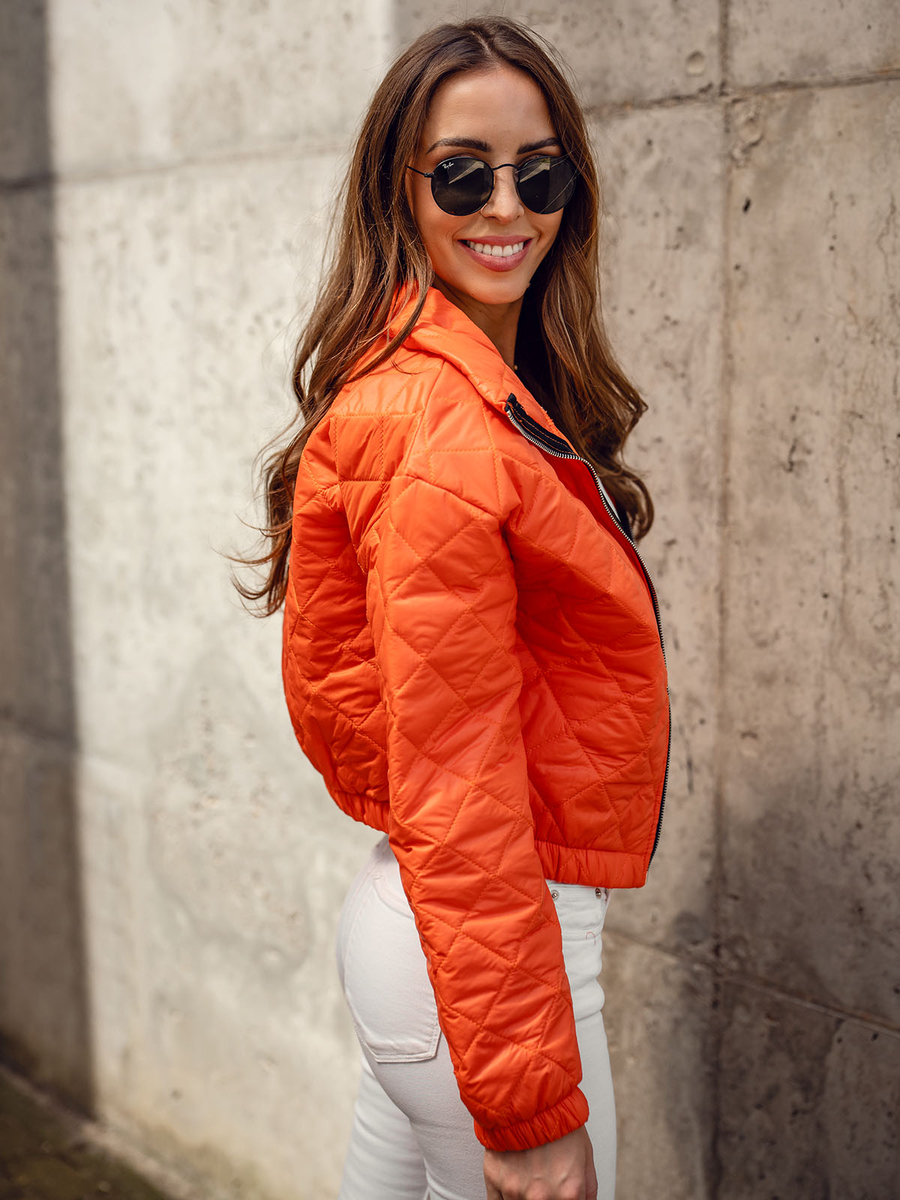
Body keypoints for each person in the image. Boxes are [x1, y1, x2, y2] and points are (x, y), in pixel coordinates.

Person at [240, 17, 669, 1200]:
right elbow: (457, 779)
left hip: (438, 949)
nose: (507, 207)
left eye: (540, 173)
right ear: (401, 186)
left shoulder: (455, 390)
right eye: (463, 174)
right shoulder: (437, 425)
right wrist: (527, 1105)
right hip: (488, 959)